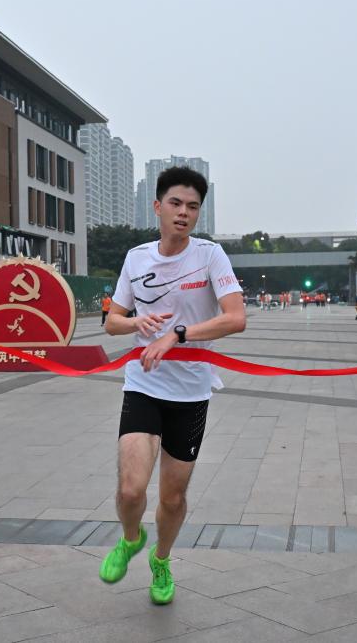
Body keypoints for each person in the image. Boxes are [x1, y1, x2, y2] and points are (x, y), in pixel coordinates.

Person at [102, 166, 246, 605]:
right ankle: (131, 539)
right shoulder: (137, 258)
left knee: (172, 496)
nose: (184, 213)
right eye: (176, 203)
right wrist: (136, 323)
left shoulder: (210, 256)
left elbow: (235, 318)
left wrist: (177, 335)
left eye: (193, 207)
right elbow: (112, 322)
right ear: (158, 206)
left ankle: (161, 559)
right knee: (131, 489)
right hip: (143, 384)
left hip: (191, 393)